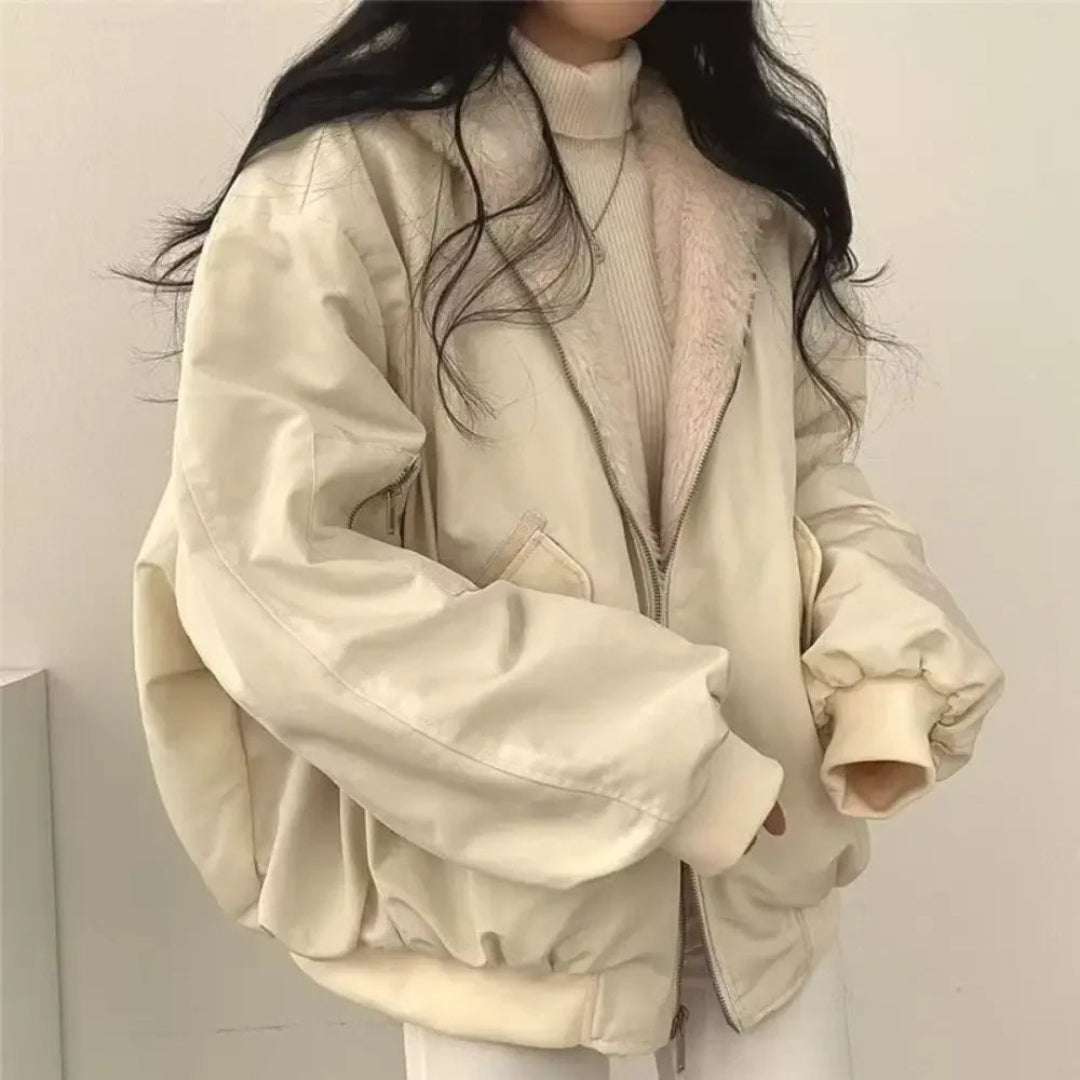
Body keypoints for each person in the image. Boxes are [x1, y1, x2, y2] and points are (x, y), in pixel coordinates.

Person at [127, 2, 1004, 1078]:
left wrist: (886, 673)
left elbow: (809, 479)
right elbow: (273, 569)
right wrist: (658, 755)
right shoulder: (349, 182)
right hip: (506, 902)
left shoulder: (741, 175)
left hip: (765, 881)